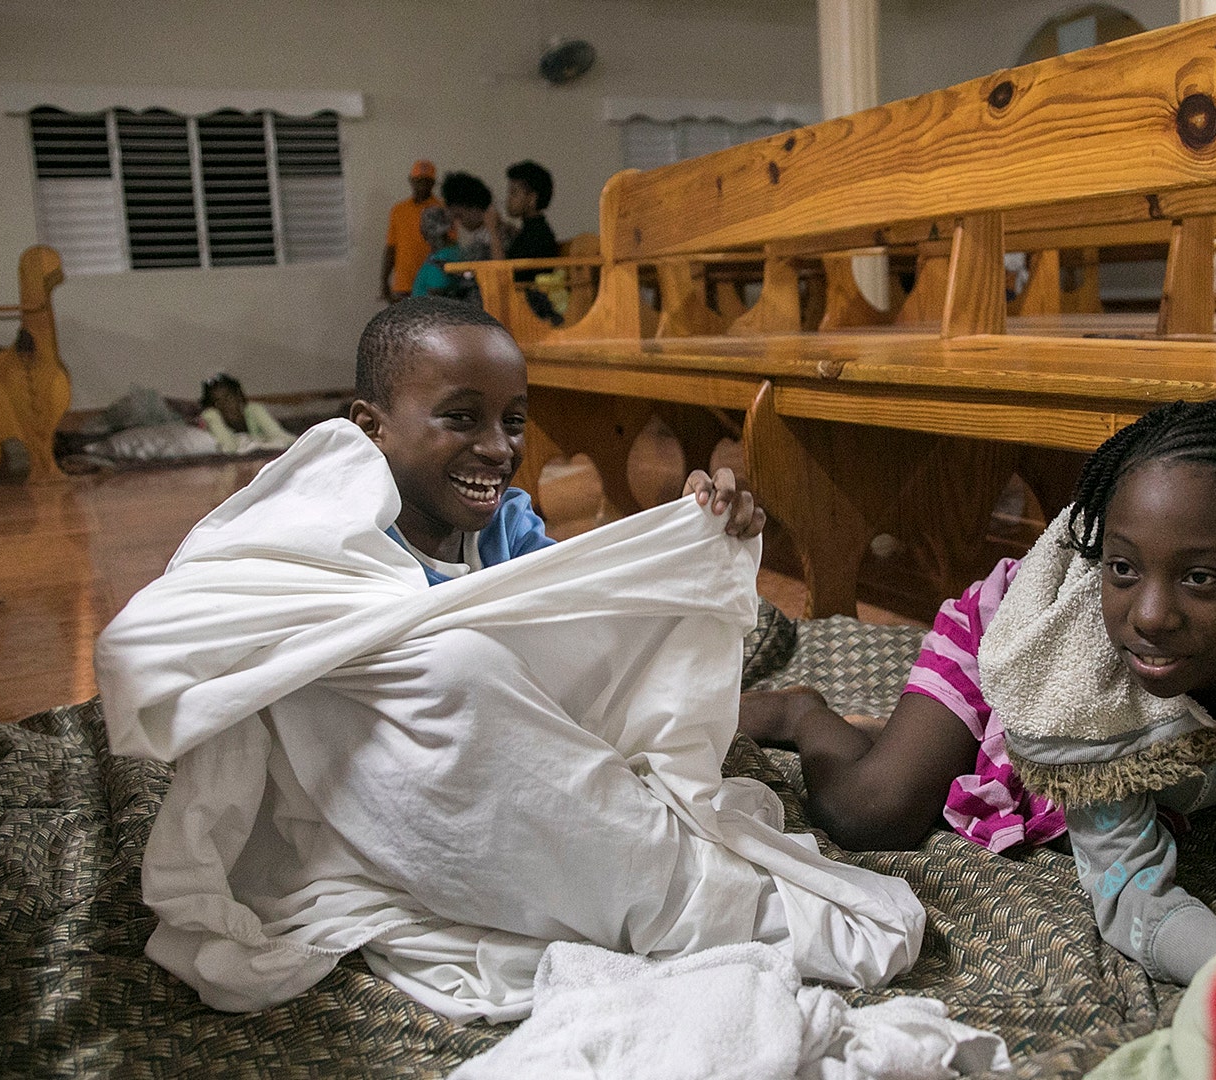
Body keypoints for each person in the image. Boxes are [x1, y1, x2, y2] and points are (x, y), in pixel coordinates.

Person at [95, 297, 926, 1024]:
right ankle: (737, 772)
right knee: (450, 664)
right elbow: (172, 641)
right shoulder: (317, 538)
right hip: (367, 779)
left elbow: (576, 634)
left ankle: (744, 758)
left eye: (515, 421)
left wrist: (687, 538)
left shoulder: (504, 528)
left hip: (523, 747)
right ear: (368, 427)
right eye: (461, 417)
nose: (497, 447)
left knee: (483, 665)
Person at [739, 396, 1216, 986]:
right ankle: (802, 712)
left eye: (1200, 577)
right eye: (1121, 567)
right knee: (869, 812)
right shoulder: (1078, 675)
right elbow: (1130, 892)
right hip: (1011, 650)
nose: (1150, 615)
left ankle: (931, 741)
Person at [411, 174, 499, 301]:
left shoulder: (496, 236)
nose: (459, 223)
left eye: (459, 216)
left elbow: (497, 276)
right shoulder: (477, 237)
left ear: (473, 208)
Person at [499, 160, 563, 325]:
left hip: (529, 308)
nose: (508, 199)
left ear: (532, 198)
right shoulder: (531, 230)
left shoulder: (538, 234)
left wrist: (493, 233)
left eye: (514, 193)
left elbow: (502, 274)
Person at [379, 159, 441, 302]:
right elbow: (391, 248)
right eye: (418, 180)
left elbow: (448, 247)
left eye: (427, 181)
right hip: (404, 285)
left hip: (432, 285)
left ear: (433, 183)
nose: (422, 185)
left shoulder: (441, 209)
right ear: (411, 181)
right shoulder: (398, 210)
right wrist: (384, 283)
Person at [197, 372, 296, 455]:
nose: (224, 405)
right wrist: (211, 416)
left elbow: (284, 438)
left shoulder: (253, 410)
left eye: (228, 397)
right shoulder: (213, 419)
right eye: (216, 402)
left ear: (238, 396)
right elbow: (229, 448)